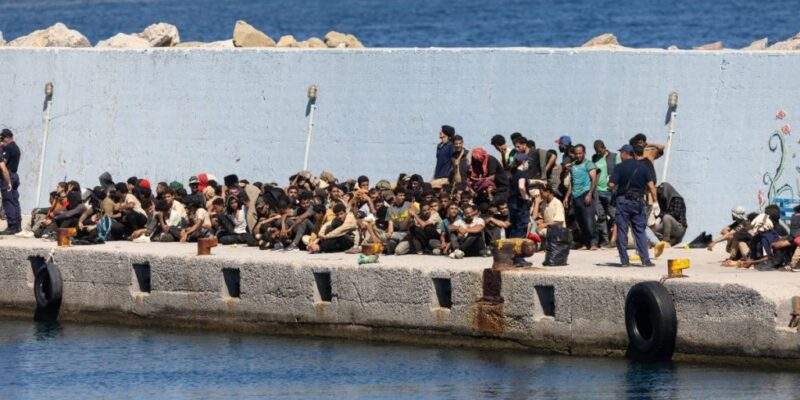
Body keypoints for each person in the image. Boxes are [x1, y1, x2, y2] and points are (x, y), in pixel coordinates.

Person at [609, 145, 657, 266]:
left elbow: (611, 185)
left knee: (622, 230)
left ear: (625, 153)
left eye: (621, 153)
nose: (620, 155)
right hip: (638, 202)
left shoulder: (619, 167)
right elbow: (652, 187)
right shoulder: (643, 167)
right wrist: (655, 202)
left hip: (623, 202)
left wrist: (612, 183)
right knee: (640, 231)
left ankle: (624, 261)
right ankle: (645, 260)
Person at [566, 144, 599, 250]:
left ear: (584, 153)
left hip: (585, 194)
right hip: (576, 196)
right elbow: (572, 182)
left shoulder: (589, 164)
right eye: (576, 153)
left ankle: (593, 242)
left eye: (580, 153)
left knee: (589, 220)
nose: (578, 155)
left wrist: (590, 193)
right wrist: (567, 196)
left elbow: (594, 180)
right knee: (580, 221)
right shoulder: (573, 166)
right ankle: (586, 243)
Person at [592, 140, 618, 247]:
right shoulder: (595, 158)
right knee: (601, 216)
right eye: (596, 151)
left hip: (609, 191)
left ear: (604, 147)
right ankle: (605, 240)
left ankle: (614, 240)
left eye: (599, 151)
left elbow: (618, 172)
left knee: (614, 215)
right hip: (597, 191)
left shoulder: (614, 156)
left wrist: (615, 186)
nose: (598, 153)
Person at [0, 129, 21, 234]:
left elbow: (3, 164)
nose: (2, 141)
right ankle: (17, 226)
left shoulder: (8, 148)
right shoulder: (16, 148)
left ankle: (12, 226)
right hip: (15, 175)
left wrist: (7, 180)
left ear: (7, 137)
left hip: (7, 176)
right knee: (15, 201)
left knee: (8, 201)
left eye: (2, 138)